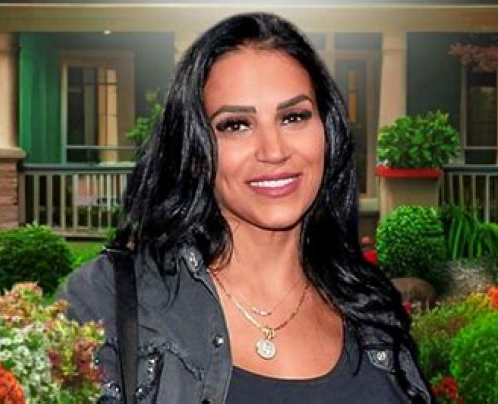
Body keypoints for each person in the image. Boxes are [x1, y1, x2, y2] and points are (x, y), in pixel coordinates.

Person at [57, 12, 432, 404]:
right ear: (195, 152)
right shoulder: (108, 303)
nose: (274, 151)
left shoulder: (372, 314)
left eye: (293, 117)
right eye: (236, 125)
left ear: (327, 131)